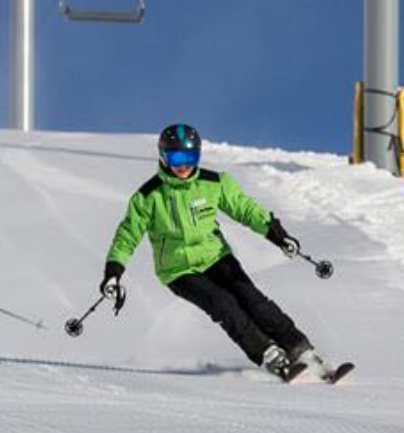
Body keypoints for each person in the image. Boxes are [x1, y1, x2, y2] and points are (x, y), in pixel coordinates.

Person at [100, 123, 332, 380]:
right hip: (178, 270)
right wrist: (113, 272)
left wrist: (276, 234)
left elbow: (245, 209)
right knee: (224, 306)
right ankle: (269, 355)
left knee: (252, 299)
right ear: (163, 157)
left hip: (216, 257)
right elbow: (127, 236)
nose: (184, 165)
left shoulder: (213, 183)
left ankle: (301, 351)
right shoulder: (148, 197)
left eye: (190, 157)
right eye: (176, 158)